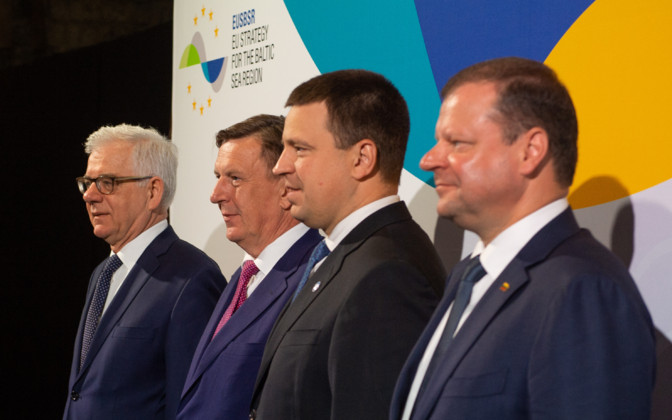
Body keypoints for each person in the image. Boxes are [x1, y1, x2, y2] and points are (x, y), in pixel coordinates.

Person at [390, 57, 656, 419]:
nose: (428, 160)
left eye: (457, 143)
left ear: (530, 151)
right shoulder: (468, 275)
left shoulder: (581, 291)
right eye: (439, 141)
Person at [249, 69, 446, 420]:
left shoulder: (388, 275)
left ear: (362, 159)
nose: (280, 166)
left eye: (300, 149)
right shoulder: (343, 255)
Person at [64, 124, 227, 420]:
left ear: (153, 191)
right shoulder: (103, 273)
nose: (90, 196)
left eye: (107, 182)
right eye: (88, 182)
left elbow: (189, 405)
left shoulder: (192, 278)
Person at [177, 114, 322, 420]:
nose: (216, 195)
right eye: (218, 176)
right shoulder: (244, 276)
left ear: (285, 187)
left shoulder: (315, 276)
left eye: (235, 178)